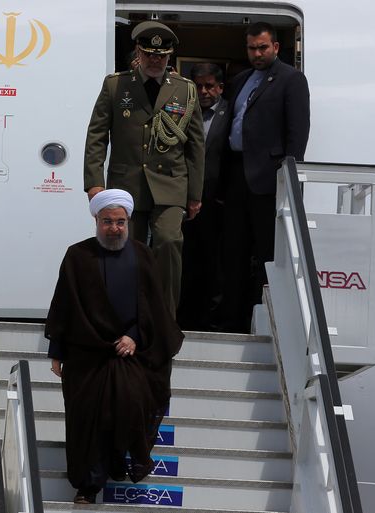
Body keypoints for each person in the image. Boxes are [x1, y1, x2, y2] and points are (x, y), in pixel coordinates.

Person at [45, 189, 183, 504]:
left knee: (128, 403)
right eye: (107, 221)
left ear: (128, 222)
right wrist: (57, 352)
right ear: (97, 220)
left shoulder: (143, 255)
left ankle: (118, 462)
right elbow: (64, 305)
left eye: (120, 222)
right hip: (86, 354)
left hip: (130, 353)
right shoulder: (78, 256)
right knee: (87, 417)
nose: (114, 228)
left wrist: (134, 336)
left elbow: (154, 307)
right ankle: (87, 485)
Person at [84, 21, 205, 316]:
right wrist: (95, 183)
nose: (155, 61)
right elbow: (97, 136)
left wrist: (194, 194)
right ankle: (125, 313)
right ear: (138, 52)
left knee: (169, 240)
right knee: (126, 246)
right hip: (127, 183)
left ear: (169, 56)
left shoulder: (185, 90)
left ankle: (163, 316)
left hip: (170, 182)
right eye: (150, 54)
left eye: (161, 56)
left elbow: (196, 146)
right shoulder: (116, 85)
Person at [220, 21, 311, 332]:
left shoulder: (291, 79)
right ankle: (230, 322)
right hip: (236, 176)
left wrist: (288, 181)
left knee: (266, 256)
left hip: (268, 181)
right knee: (232, 252)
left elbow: (297, 136)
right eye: (251, 48)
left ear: (275, 47)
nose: (257, 54)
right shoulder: (240, 80)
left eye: (262, 48)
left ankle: (261, 323)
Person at [177, 63, 231, 330]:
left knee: (215, 262)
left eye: (209, 86)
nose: (204, 91)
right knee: (185, 259)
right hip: (183, 200)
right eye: (198, 86)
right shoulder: (181, 111)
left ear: (220, 87)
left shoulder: (230, 112)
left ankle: (213, 321)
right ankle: (182, 316)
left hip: (216, 201)